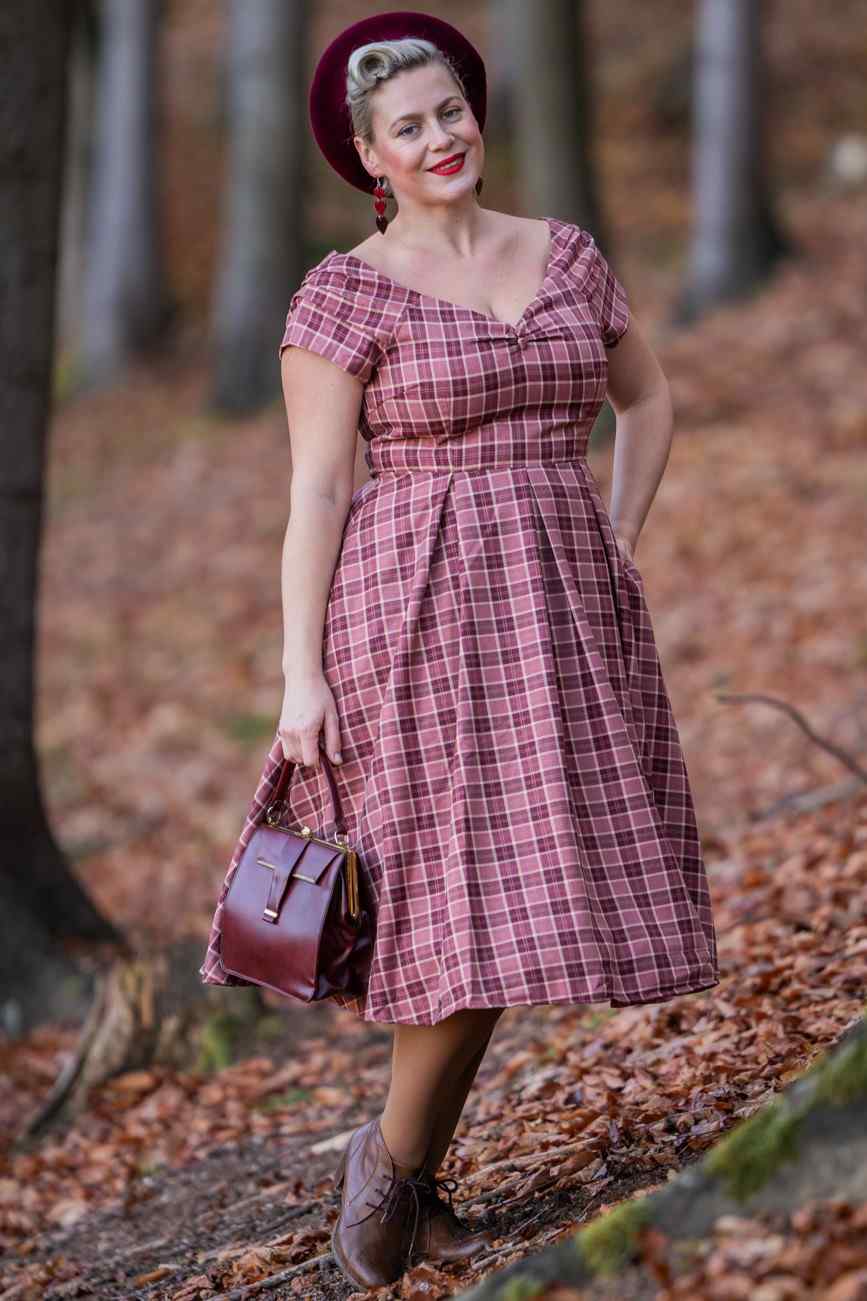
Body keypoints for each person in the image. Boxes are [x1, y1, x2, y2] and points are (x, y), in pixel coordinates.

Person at [200, 10, 720, 1290]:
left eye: (451, 112)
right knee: (446, 894)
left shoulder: (567, 255)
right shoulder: (343, 291)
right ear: (370, 157)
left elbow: (646, 399)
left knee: (522, 883)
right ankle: (391, 1173)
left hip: (558, 603)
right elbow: (317, 492)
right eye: (410, 127)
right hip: (410, 611)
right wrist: (299, 672)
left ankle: (406, 1179)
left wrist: (619, 534)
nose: (442, 138)